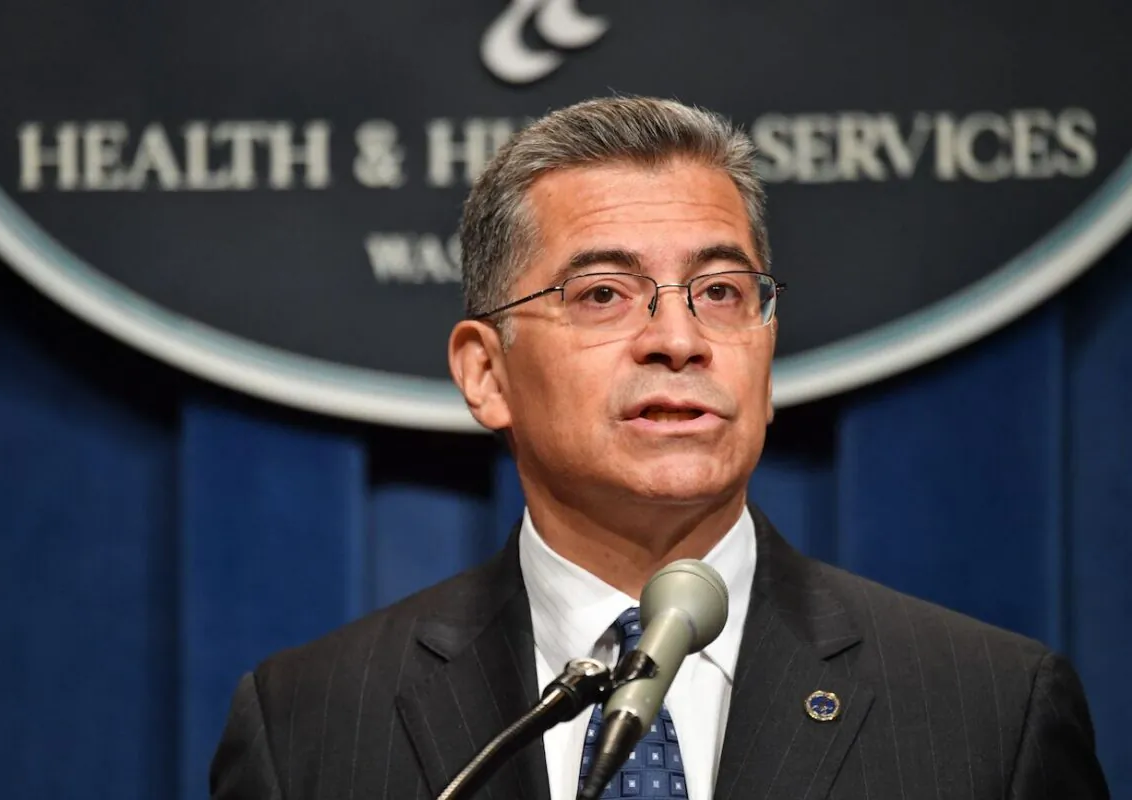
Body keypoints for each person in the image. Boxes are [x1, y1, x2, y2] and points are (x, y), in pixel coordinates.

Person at [209, 96, 1108, 800]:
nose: (679, 339)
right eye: (603, 293)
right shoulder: (310, 725)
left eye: (720, 292)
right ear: (486, 373)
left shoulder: (990, 710)